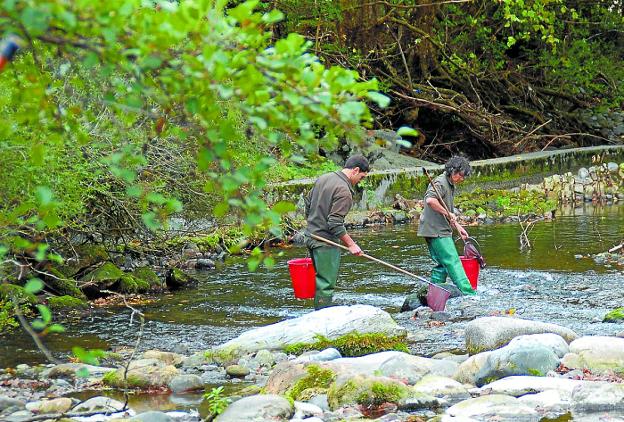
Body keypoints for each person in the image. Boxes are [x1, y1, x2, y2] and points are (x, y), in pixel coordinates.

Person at [304, 154, 369, 309]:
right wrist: (352, 245)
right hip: (325, 242)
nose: (360, 181)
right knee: (326, 284)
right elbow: (334, 223)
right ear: (355, 170)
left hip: (311, 236)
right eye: (361, 177)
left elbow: (307, 202)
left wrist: (312, 224)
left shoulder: (324, 178)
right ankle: (322, 320)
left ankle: (319, 314)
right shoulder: (344, 191)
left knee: (320, 280)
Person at [417, 156, 476, 295]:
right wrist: (447, 213)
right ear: (453, 171)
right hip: (436, 231)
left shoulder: (449, 184)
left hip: (433, 229)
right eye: (461, 175)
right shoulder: (440, 182)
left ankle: (433, 294)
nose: (462, 179)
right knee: (453, 261)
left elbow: (447, 211)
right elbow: (430, 200)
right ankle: (469, 294)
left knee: (441, 265)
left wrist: (459, 228)